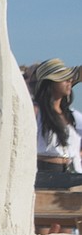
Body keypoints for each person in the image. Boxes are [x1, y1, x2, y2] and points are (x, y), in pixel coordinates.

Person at [33, 58, 82, 190]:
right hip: (44, 173)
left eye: (70, 78)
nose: (69, 81)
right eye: (64, 78)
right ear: (50, 83)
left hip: (71, 171)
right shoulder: (36, 112)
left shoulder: (72, 116)